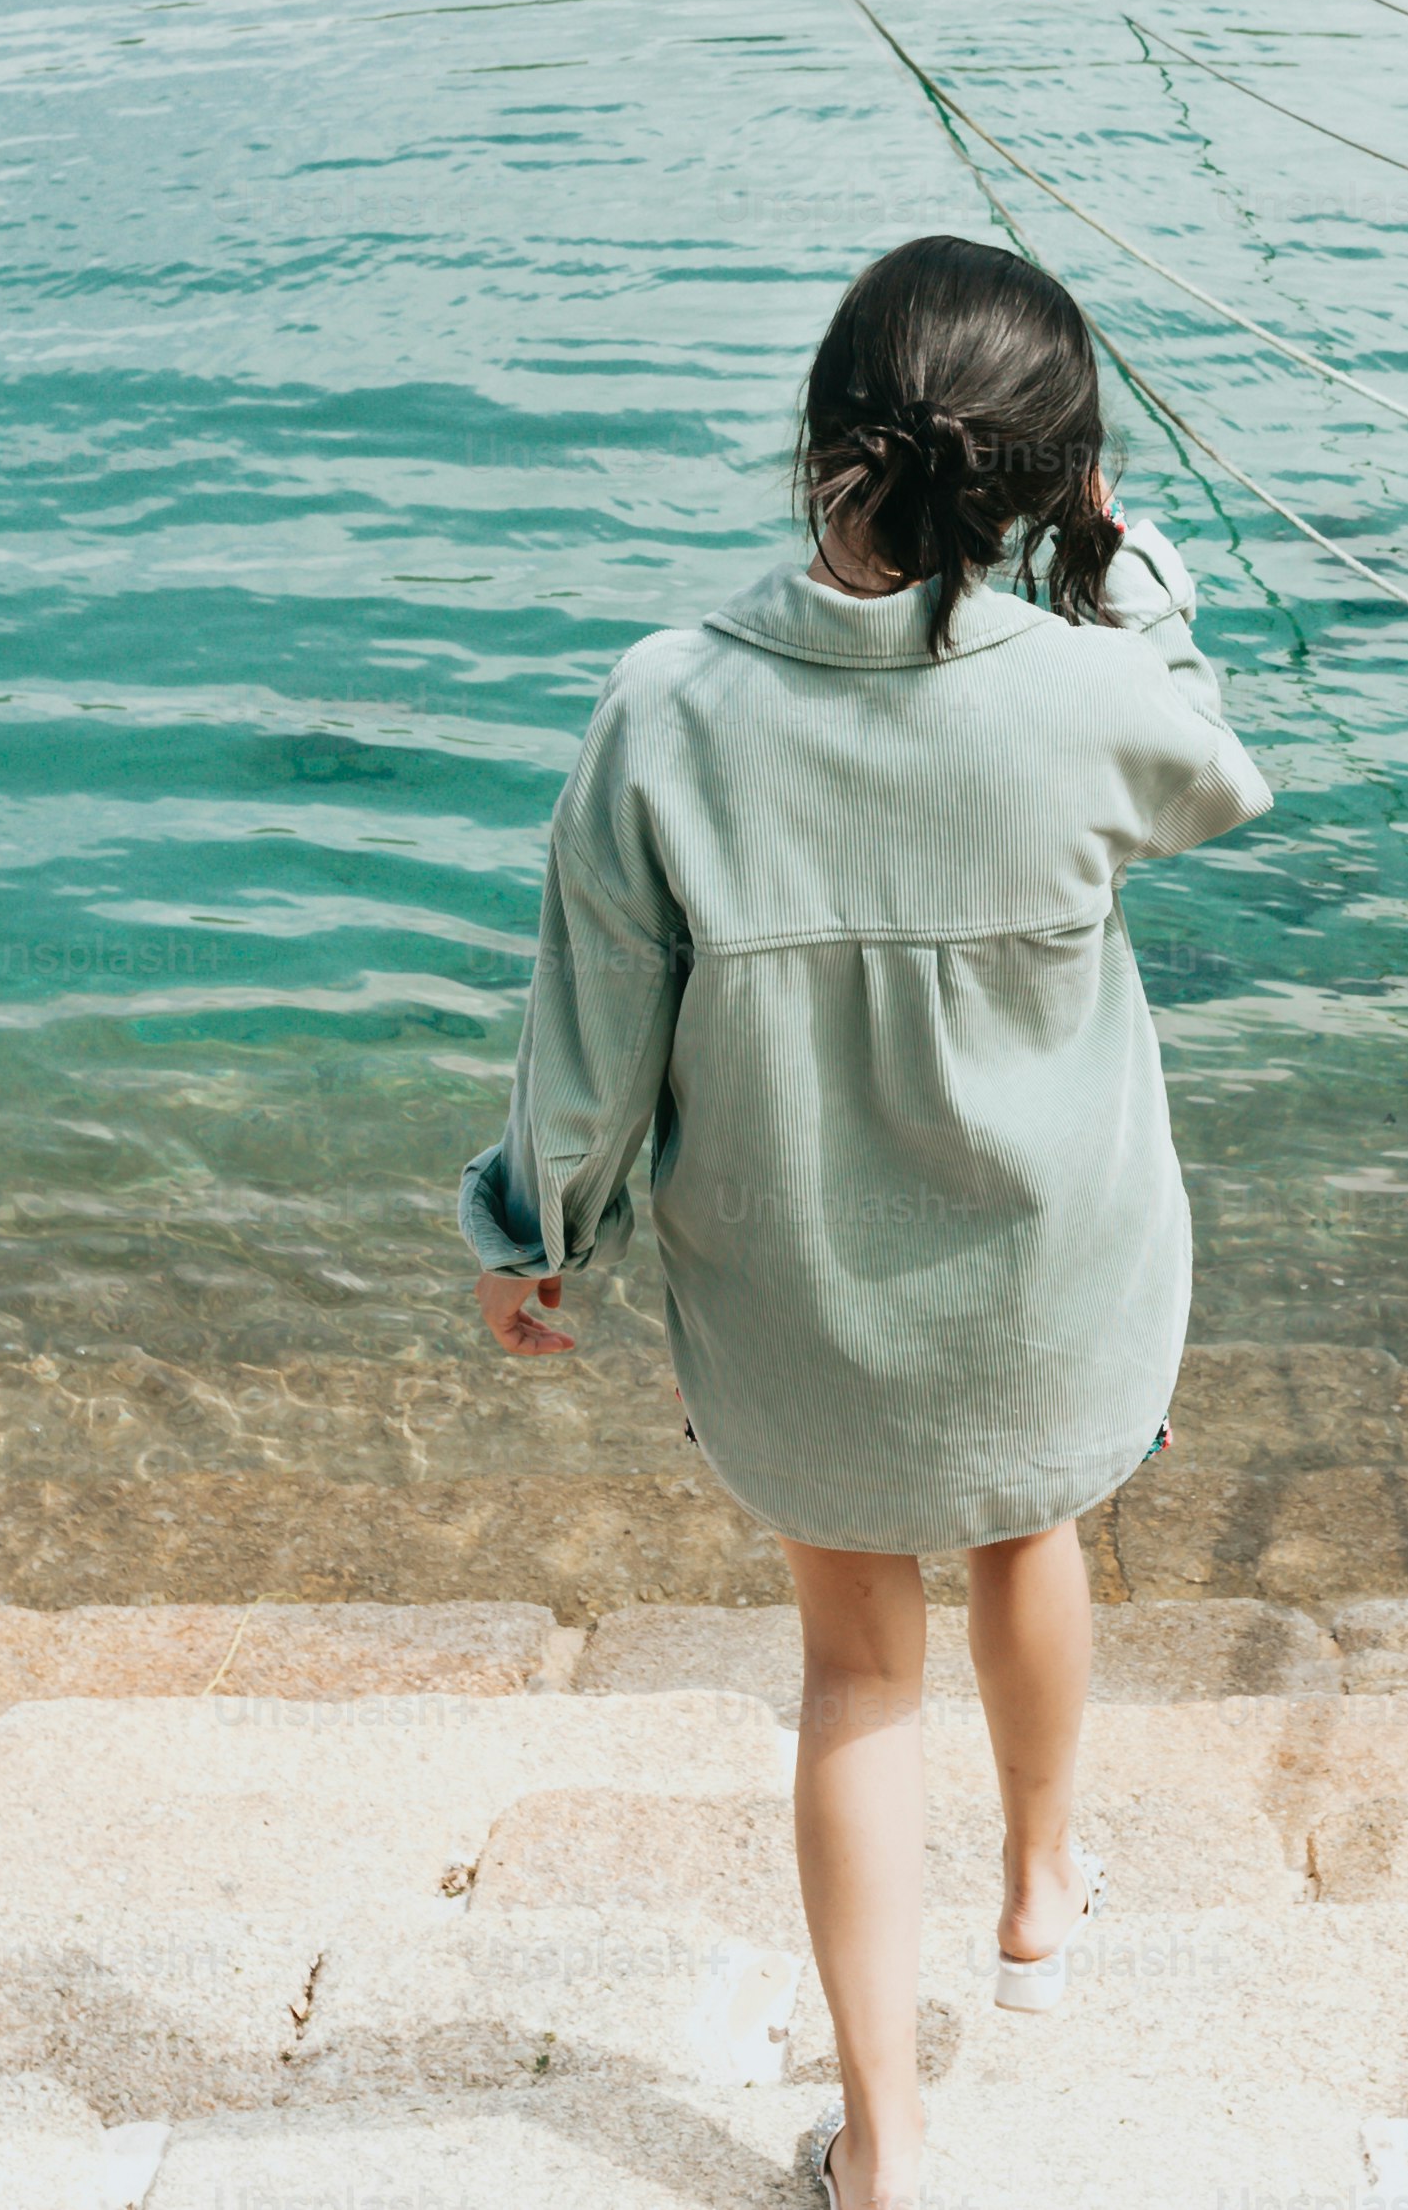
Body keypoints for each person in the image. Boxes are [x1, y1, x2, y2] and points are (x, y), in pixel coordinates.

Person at [461, 234, 1275, 2210]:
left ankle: (886, 2150)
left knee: (850, 1675)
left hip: (801, 1290)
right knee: (1031, 1528)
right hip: (1047, 1268)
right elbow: (1213, 769)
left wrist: (537, 1230)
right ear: (1043, 486)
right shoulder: (1087, 695)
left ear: (821, 441)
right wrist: (1123, 562)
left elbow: (593, 1036)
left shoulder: (665, 708)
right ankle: (1038, 1881)